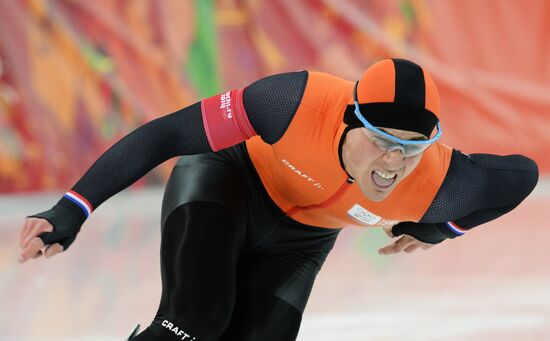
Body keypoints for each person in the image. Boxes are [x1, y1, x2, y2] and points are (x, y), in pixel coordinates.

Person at [18, 59, 539, 340]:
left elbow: (522, 177)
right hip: (227, 184)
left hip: (299, 243)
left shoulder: (442, 184)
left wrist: (438, 230)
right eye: (381, 140)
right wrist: (73, 207)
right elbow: (165, 137)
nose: (392, 163)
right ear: (347, 119)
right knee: (195, 327)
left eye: (411, 148)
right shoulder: (292, 102)